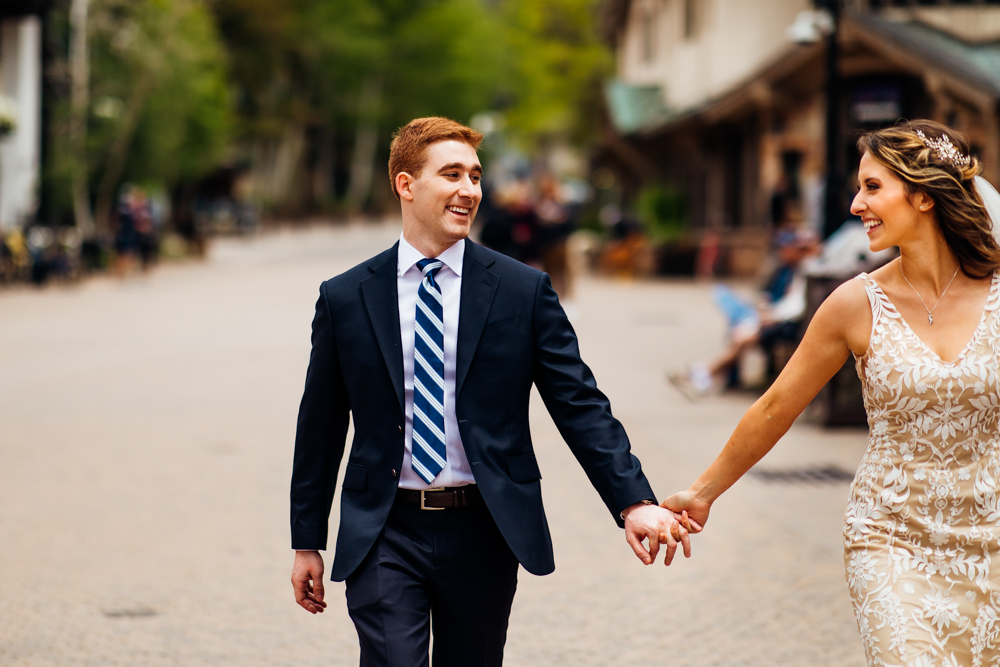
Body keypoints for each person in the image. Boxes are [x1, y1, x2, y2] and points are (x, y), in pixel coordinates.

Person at [289, 116, 688, 667]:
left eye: (475, 176)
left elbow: (578, 402)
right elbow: (321, 424)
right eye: (451, 174)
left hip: (484, 526)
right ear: (406, 185)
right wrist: (306, 539)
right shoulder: (345, 297)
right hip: (384, 527)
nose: (469, 190)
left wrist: (633, 501)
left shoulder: (522, 291)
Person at [662, 119, 1000, 666]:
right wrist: (701, 492)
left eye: (872, 187)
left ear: (923, 195)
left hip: (992, 539)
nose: (853, 205)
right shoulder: (852, 304)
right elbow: (775, 406)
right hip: (892, 538)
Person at [668, 230, 818, 399]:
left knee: (740, 333)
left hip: (782, 322)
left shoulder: (809, 272)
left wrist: (770, 315)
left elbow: (795, 308)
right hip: (770, 315)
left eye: (804, 248)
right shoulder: (784, 269)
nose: (789, 251)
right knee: (725, 300)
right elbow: (765, 292)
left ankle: (702, 374)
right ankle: (704, 376)